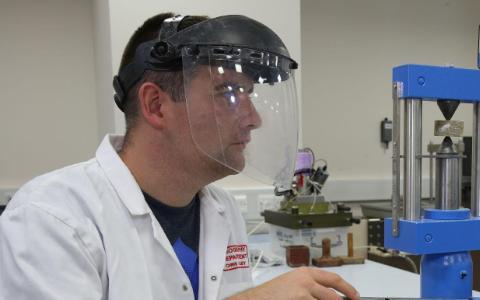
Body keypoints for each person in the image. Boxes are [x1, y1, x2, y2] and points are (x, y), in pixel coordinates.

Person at [0, 13, 359, 300]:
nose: (253, 118)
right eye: (229, 92)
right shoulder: (52, 218)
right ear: (156, 105)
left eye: (248, 94)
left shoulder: (222, 210)